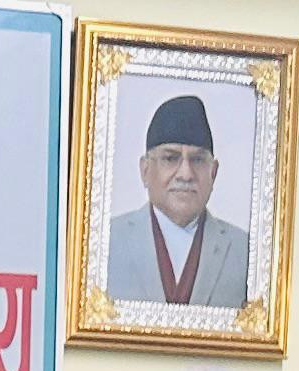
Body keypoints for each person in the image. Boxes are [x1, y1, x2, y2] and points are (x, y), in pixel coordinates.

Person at [100, 90, 249, 310]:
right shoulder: (105, 243)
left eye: (197, 160)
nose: (186, 174)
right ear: (145, 170)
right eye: (171, 158)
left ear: (213, 172)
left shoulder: (245, 252)